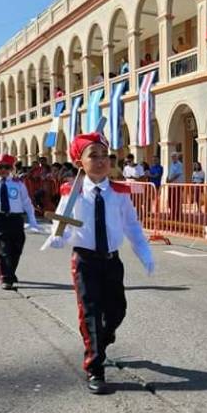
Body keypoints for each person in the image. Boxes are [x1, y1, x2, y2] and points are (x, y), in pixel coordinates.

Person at [41, 132, 155, 394]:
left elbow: (131, 226)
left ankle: (102, 340)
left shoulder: (119, 192)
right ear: (80, 162)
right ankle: (95, 368)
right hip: (85, 261)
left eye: (105, 155)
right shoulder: (73, 192)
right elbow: (63, 223)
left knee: (117, 311)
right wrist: (58, 237)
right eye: (94, 156)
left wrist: (145, 252)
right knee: (90, 313)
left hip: (112, 261)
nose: (102, 161)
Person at [0, 153, 42, 290]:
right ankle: (6, 278)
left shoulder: (18, 184)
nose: (3, 170)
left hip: (16, 219)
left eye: (7, 167)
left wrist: (33, 220)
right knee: (3, 248)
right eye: (0, 167)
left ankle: (10, 272)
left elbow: (26, 202)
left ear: (11, 168)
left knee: (17, 248)